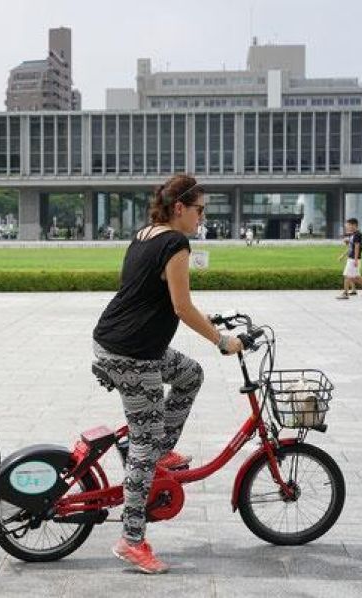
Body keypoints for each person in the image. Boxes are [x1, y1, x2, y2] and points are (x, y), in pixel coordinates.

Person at [92, 174, 243, 574]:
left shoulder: (146, 233)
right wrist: (220, 340)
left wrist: (208, 321)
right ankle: (131, 540)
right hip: (131, 355)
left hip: (128, 343)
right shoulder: (176, 242)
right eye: (199, 210)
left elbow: (150, 296)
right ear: (179, 208)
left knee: (189, 374)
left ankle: (159, 451)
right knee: (144, 443)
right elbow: (180, 306)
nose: (202, 217)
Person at [337, 218, 362, 300]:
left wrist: (355, 260)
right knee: (355, 277)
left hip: (353, 259)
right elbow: (351, 248)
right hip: (352, 258)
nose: (347, 227)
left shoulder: (357, 235)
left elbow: (357, 248)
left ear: (353, 225)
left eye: (348, 225)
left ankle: (345, 293)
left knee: (348, 276)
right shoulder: (353, 235)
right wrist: (343, 256)